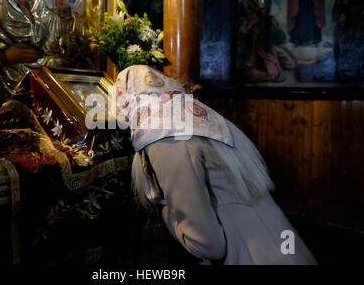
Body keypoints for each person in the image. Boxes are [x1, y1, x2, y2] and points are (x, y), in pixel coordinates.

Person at [109, 65, 317, 265]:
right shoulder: (201, 119)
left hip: (251, 253)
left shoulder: (165, 136)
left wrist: (166, 213)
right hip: (280, 242)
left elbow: (207, 244)